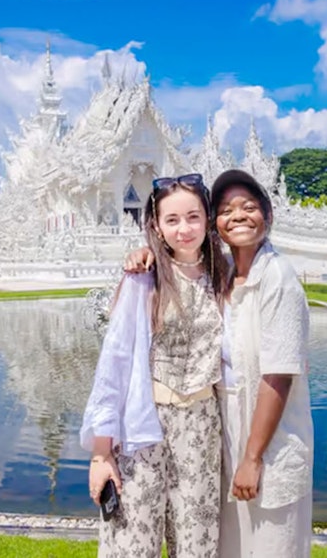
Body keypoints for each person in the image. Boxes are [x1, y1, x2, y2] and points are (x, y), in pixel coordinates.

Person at [125, 170, 315, 557]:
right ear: (217, 226)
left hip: (267, 443)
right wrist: (147, 253)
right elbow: (179, 262)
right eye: (226, 210)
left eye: (249, 207)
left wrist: (252, 457)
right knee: (229, 546)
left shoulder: (277, 277)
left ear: (268, 215)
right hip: (221, 435)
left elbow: (278, 376)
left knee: (271, 545)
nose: (239, 216)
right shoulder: (222, 273)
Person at [81, 173, 229, 557]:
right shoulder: (143, 279)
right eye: (172, 220)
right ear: (157, 227)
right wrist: (101, 454)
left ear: (208, 219)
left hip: (201, 423)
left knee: (197, 542)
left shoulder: (224, 276)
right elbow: (113, 367)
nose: (184, 229)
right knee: (132, 542)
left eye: (193, 217)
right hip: (143, 427)